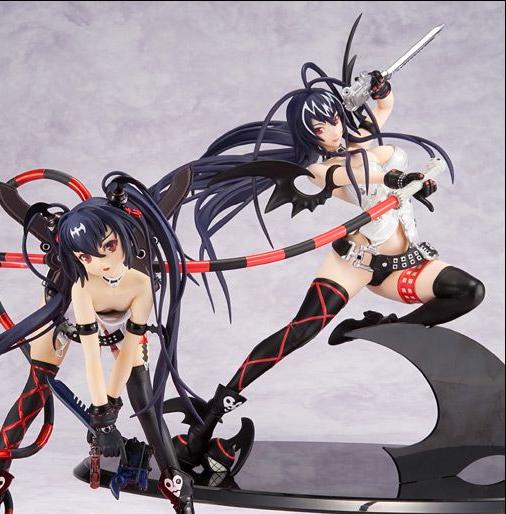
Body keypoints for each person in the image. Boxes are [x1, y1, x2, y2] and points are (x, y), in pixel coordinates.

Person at [150, 20, 485, 472]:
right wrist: (401, 178)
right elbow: (362, 174)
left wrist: (379, 88)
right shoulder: (323, 169)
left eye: (332, 117)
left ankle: (383, 327)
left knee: (469, 291)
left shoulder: (360, 139)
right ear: (308, 134)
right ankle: (208, 419)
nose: (331, 129)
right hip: (355, 263)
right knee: (299, 332)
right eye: (319, 125)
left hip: (407, 263)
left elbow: (383, 109)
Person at [0, 173, 201, 514]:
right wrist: (102, 416)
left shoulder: (139, 279)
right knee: (34, 392)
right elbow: (90, 354)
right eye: (85, 257)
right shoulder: (80, 283)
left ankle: (184, 507)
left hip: (124, 324)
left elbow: (129, 346)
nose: (100, 263)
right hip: (66, 314)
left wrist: (108, 410)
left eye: (108, 247)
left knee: (146, 403)